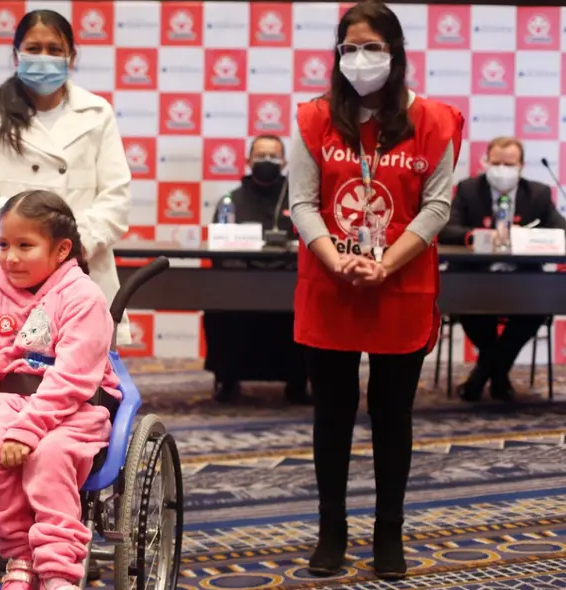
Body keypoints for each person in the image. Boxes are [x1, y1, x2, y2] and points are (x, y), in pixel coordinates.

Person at [288, 0, 463, 580]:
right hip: (330, 281)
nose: (360, 59)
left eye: (372, 47)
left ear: (397, 53)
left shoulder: (435, 120)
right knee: (332, 414)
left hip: (401, 285)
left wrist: (385, 263)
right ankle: (331, 531)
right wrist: (334, 257)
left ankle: (389, 531)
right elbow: (303, 203)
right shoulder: (314, 118)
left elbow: (437, 206)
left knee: (392, 414)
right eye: (350, 48)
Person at [0, 190, 120, 590]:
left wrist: (27, 430)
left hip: (73, 407)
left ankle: (57, 571)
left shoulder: (84, 298)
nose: (10, 257)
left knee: (49, 456)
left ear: (61, 250)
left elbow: (73, 379)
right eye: (4, 244)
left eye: (25, 246)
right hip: (8, 399)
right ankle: (21, 553)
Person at [0, 9, 131, 342]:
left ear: (71, 56)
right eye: (34, 49)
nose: (44, 57)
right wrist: (25, 247)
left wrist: (68, 247)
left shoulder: (97, 112)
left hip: (78, 267)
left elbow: (116, 199)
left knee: (82, 366)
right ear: (16, 55)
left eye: (54, 49)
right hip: (7, 270)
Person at [439, 136, 566, 402]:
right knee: (473, 312)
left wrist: (527, 237)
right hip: (474, 280)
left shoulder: (539, 193)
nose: (501, 170)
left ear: (521, 166)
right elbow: (447, 230)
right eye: (496, 163)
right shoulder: (468, 190)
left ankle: (483, 375)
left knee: (535, 312)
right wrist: (477, 236)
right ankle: (498, 377)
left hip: (524, 283)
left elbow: (560, 231)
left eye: (509, 164)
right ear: (485, 161)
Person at [202, 135, 310, 404]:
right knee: (220, 309)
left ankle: (297, 383)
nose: (266, 161)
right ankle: (227, 380)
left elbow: (308, 243)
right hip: (241, 285)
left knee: (304, 307)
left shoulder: (299, 201)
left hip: (287, 283)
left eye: (273, 156)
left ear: (284, 162)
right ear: (248, 161)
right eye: (260, 156)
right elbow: (219, 248)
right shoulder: (231, 200)